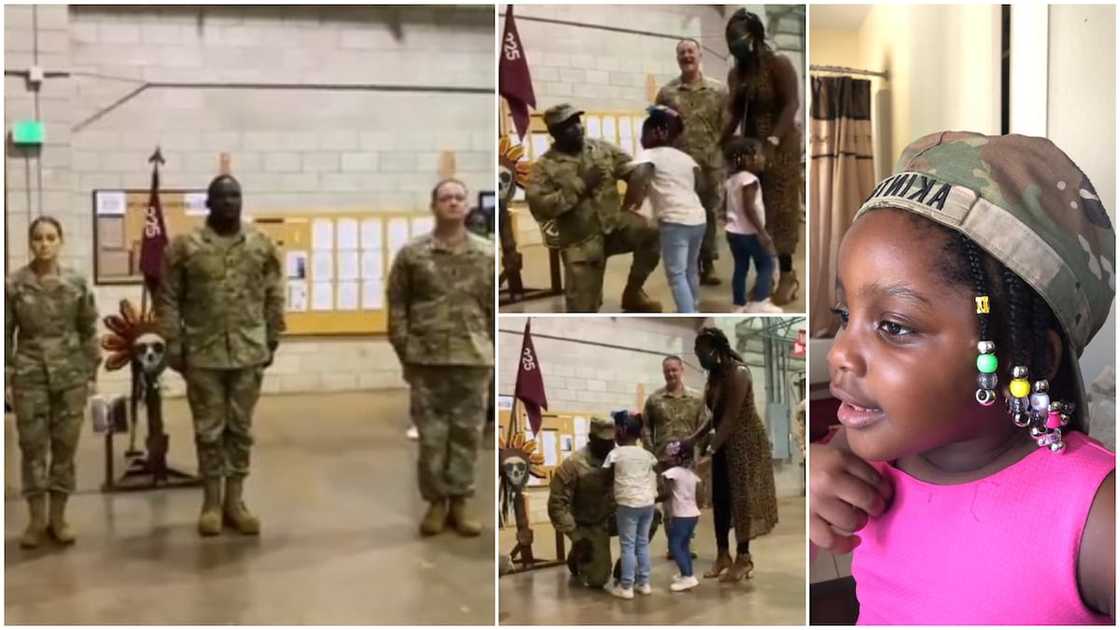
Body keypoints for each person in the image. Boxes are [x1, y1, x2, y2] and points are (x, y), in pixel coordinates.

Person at [811, 132, 1116, 625]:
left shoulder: (1097, 517)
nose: (842, 353)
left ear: (1026, 355)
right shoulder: (861, 467)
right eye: (844, 313)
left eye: (894, 326)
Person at [158, 174, 285, 537]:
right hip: (204, 353)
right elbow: (168, 298)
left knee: (241, 430)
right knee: (209, 431)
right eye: (223, 197)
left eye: (236, 196)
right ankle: (211, 502)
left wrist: (272, 336)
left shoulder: (260, 245)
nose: (231, 202)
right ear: (209, 203)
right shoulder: (185, 247)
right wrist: (174, 343)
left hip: (248, 351)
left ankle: (236, 501)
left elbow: (274, 292)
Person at [388, 178, 494, 537]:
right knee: (432, 436)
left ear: (466, 206)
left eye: (458, 197)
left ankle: (460, 503)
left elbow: (495, 308)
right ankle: (436, 503)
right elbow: (398, 306)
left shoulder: (487, 254)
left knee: (467, 435)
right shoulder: (412, 254)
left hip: (472, 356)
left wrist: (492, 349)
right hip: (426, 359)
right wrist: (406, 349)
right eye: (445, 197)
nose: (453, 202)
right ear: (433, 205)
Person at [5, 217, 100, 548]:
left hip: (70, 376)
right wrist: (6, 378)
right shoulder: (14, 284)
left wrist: (91, 374)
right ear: (30, 243)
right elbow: (5, 335)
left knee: (64, 448)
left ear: (60, 241)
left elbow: (89, 330)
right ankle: (36, 519)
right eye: (37, 238)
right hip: (30, 376)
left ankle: (59, 518)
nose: (44, 244)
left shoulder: (76, 283)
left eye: (50, 237)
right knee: (32, 448)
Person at [526, 103, 662, 313]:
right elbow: (540, 208)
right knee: (582, 311)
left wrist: (639, 176)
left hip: (613, 226)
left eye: (577, 122)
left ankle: (633, 293)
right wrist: (581, 185)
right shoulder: (544, 167)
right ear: (555, 133)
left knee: (652, 231)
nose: (578, 128)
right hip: (581, 241)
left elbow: (630, 169)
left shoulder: (600, 149)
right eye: (569, 126)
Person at [682, 327, 779, 582]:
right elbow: (714, 416)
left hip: (745, 442)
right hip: (725, 442)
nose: (699, 357)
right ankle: (722, 554)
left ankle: (744, 558)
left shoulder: (739, 373)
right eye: (696, 353)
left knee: (742, 500)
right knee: (721, 499)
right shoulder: (714, 376)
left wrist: (710, 450)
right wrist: (693, 439)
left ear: (715, 349)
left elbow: (730, 419)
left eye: (701, 352)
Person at [722, 9, 802, 306]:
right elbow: (733, 113)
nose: (733, 46)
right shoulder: (736, 74)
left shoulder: (777, 64)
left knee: (780, 207)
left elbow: (791, 103)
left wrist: (773, 141)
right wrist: (720, 144)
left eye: (737, 39)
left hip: (781, 144)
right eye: (729, 41)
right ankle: (764, 271)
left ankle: (788, 273)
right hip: (752, 147)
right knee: (754, 209)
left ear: (753, 36)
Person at [656, 38, 730, 286]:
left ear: (700, 55)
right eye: (681, 53)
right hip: (678, 168)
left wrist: (726, 161)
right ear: (677, 58)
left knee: (707, 217)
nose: (686, 56)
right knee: (680, 215)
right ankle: (687, 266)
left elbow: (728, 126)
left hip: (710, 166)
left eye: (690, 51)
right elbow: (659, 129)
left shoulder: (719, 91)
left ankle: (707, 265)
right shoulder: (667, 93)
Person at [624, 107, 707, 313]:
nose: (642, 140)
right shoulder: (685, 157)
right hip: (698, 219)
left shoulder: (649, 154)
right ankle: (693, 306)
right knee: (691, 269)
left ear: (657, 132)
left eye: (643, 134)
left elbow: (638, 179)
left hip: (674, 221)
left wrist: (628, 205)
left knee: (676, 274)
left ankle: (687, 312)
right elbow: (702, 184)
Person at [641, 355, 705, 555]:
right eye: (667, 370)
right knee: (669, 504)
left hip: (688, 462)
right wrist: (651, 452)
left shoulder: (696, 399)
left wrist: (701, 454)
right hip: (664, 461)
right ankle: (675, 545)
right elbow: (645, 428)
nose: (670, 374)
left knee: (689, 502)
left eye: (674, 370)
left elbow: (703, 426)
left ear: (681, 370)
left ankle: (685, 542)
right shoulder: (654, 399)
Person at [548, 416, 617, 589]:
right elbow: (557, 504)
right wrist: (576, 537)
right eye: (603, 441)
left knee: (653, 516)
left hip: (614, 517)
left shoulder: (619, 458)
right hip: (589, 523)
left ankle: (628, 562)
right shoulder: (574, 464)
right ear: (591, 438)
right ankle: (577, 554)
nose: (609, 445)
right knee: (598, 580)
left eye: (612, 441)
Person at [602, 410, 660, 599]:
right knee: (642, 544)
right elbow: (655, 470)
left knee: (627, 545)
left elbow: (604, 478)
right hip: (648, 504)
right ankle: (644, 583)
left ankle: (626, 586)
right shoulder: (647, 455)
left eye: (615, 429)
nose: (614, 433)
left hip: (628, 504)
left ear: (623, 430)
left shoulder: (615, 454)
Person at [724, 136, 781, 313]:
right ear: (747, 159)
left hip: (733, 232)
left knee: (740, 267)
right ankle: (760, 302)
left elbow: (724, 205)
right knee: (766, 265)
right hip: (749, 233)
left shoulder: (731, 180)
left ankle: (739, 304)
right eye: (759, 155)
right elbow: (749, 208)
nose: (763, 158)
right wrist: (762, 232)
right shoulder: (750, 180)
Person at [663, 446, 703, 592]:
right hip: (693, 514)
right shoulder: (691, 475)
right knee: (684, 544)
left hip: (681, 515)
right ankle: (686, 573)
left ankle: (688, 577)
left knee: (675, 545)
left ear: (676, 458)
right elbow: (700, 494)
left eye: (669, 456)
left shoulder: (672, 473)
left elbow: (665, 492)